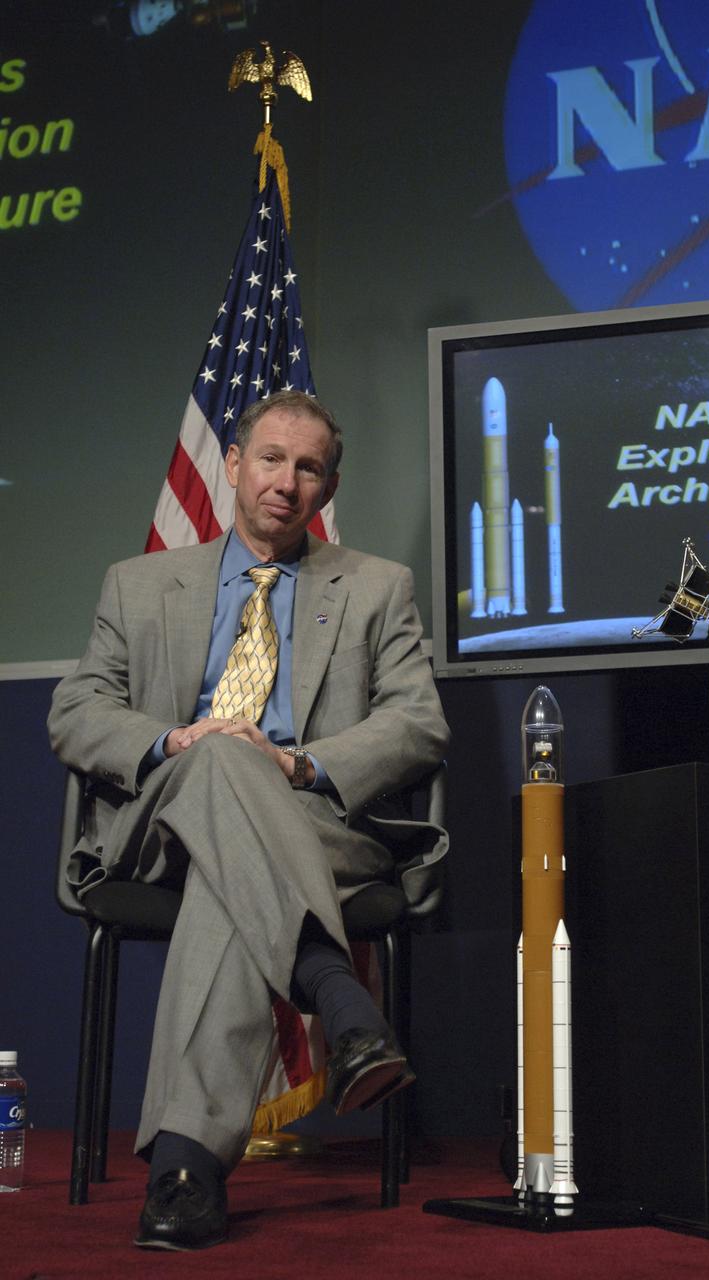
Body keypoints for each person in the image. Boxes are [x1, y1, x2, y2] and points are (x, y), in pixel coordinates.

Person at [48, 389, 450, 1251]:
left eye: (307, 467)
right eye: (270, 459)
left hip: (314, 825)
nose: (286, 481)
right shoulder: (142, 582)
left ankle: (184, 1170)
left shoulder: (377, 588)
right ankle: (337, 995)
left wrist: (301, 762)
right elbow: (77, 709)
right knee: (222, 756)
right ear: (232, 466)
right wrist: (173, 741)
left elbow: (418, 724)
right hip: (164, 818)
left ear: (327, 484)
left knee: (229, 882)